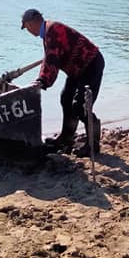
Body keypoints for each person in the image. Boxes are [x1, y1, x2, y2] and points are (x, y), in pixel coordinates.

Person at [20, 9, 105, 156]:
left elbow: (52, 59)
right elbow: (50, 59)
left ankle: (93, 145)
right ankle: (67, 138)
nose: (28, 31)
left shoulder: (52, 31)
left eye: (26, 27)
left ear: (31, 23)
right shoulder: (48, 32)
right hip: (78, 68)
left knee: (80, 105)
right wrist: (42, 79)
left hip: (90, 64)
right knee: (66, 98)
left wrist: (43, 81)